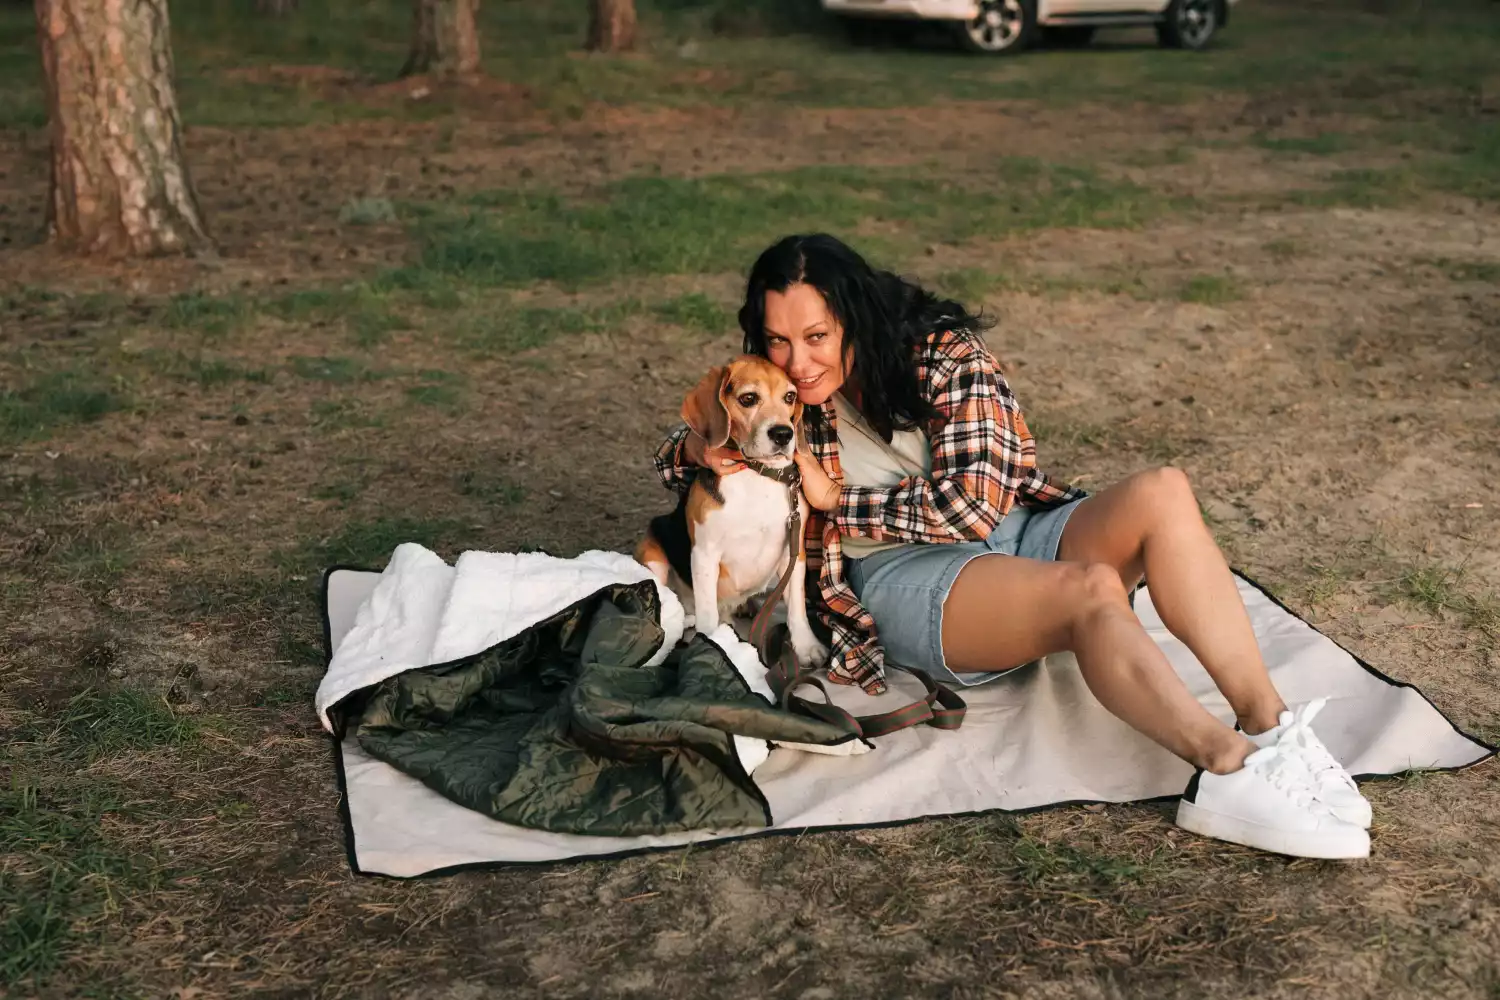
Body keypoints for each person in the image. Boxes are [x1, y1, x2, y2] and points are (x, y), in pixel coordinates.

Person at [653, 233, 1371, 860]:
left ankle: (1272, 729)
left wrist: (841, 499)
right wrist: (693, 446)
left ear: (857, 317)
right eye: (777, 340)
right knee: (1091, 591)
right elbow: (693, 447)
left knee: (1164, 490)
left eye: (817, 335)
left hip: (1005, 527)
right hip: (896, 573)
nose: (798, 363)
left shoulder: (942, 353)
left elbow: (971, 507)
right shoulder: (775, 390)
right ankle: (1226, 770)